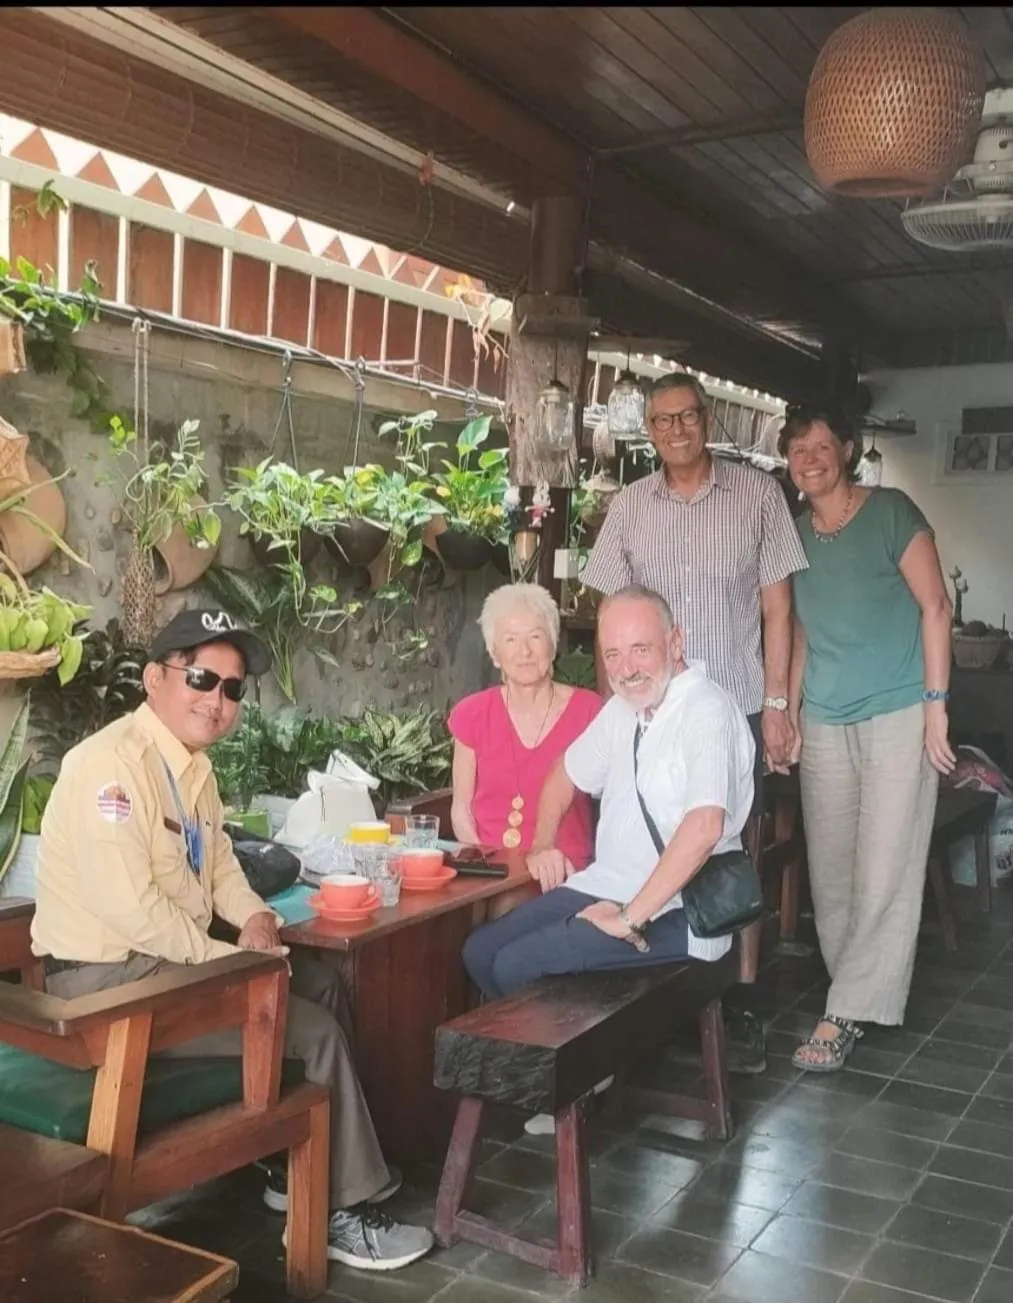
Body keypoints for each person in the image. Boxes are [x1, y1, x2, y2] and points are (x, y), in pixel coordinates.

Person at [31, 607, 433, 1272]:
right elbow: (132, 912)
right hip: (104, 990)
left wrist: (253, 920)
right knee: (310, 1030)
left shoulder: (191, 770)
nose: (216, 699)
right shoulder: (109, 769)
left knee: (325, 980)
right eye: (200, 678)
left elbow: (220, 867)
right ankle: (344, 1210)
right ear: (155, 678)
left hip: (166, 969)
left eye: (232, 687)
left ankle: (293, 1165)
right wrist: (238, 963)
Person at [462, 585, 755, 1130]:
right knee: (482, 950)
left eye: (641, 649)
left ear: (676, 640)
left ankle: (574, 1079)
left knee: (517, 964)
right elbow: (563, 776)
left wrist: (628, 918)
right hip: (608, 883)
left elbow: (704, 827)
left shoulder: (704, 710)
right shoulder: (625, 710)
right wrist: (543, 843)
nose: (626, 668)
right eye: (613, 654)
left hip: (681, 912)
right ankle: (576, 1069)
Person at [582, 372, 809, 1074]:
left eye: (686, 416)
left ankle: (734, 995)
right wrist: (612, 713)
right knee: (644, 839)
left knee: (726, 857)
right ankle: (657, 987)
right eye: (661, 420)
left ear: (706, 419)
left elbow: (779, 610)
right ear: (646, 430)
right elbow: (605, 619)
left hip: (731, 701)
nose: (675, 429)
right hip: (646, 709)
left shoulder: (757, 496)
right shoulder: (627, 507)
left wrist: (776, 706)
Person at [780, 405, 955, 1072]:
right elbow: (797, 633)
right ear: (789, 464)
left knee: (885, 861)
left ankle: (840, 1010)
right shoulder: (794, 538)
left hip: (897, 711)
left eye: (822, 445)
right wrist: (788, 712)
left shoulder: (890, 512)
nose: (811, 458)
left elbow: (934, 606)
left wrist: (936, 708)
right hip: (825, 715)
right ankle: (852, 990)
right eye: (798, 450)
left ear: (846, 451)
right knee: (830, 868)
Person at [449, 583, 601, 872]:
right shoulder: (471, 714)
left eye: (535, 636)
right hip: (491, 871)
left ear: (553, 644)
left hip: (562, 870)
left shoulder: (589, 711)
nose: (525, 651)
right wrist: (485, 866)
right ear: (494, 654)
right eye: (510, 640)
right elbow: (462, 809)